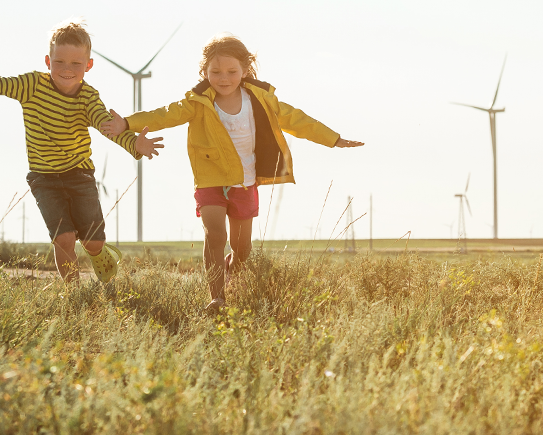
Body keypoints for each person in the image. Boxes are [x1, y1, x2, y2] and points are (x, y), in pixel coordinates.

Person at [100, 34, 362, 312]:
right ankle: (217, 297)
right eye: (215, 72)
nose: (223, 78)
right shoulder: (198, 103)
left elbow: (297, 119)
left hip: (245, 182)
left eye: (231, 72)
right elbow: (164, 114)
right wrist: (127, 122)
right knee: (215, 235)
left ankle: (231, 269)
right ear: (204, 72)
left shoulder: (261, 99)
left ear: (245, 71)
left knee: (242, 250)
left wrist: (333, 138)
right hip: (210, 180)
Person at [0, 19, 163, 282]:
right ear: (48, 61)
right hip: (44, 178)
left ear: (88, 65)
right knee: (63, 238)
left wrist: (134, 143)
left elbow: (106, 125)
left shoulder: (88, 97)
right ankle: (73, 292)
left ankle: (100, 253)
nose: (67, 69)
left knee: (93, 243)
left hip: (79, 176)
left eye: (76, 64)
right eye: (59, 62)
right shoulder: (31, 85)